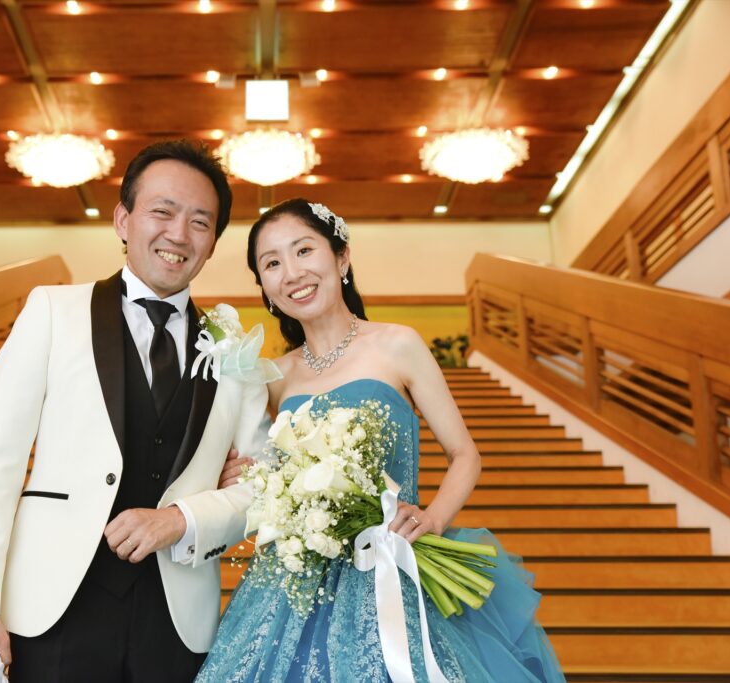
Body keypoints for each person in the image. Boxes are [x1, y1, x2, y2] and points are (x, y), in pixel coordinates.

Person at [197, 198, 566, 682]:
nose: (292, 272)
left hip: (394, 566)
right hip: (296, 584)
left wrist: (433, 518)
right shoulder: (273, 377)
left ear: (342, 258)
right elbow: (264, 469)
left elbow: (464, 455)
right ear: (265, 288)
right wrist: (246, 474)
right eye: (272, 263)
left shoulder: (398, 344)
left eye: (304, 250)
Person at [0, 140, 270, 682]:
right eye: (162, 211)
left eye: (200, 222)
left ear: (213, 242)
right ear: (123, 219)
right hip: (52, 607)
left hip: (177, 618)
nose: (179, 234)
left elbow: (262, 489)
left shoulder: (235, 349)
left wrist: (182, 519)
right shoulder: (52, 310)